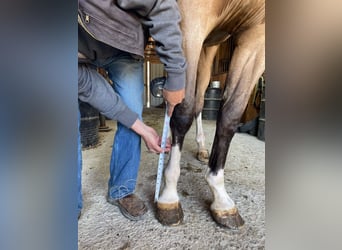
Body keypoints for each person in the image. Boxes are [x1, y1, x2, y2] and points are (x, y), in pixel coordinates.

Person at [78, 0, 187, 221]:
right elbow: (88, 86)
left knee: (132, 110)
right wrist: (143, 129)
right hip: (78, 53)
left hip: (122, 43)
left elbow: (161, 4)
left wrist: (176, 75)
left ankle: (122, 189)